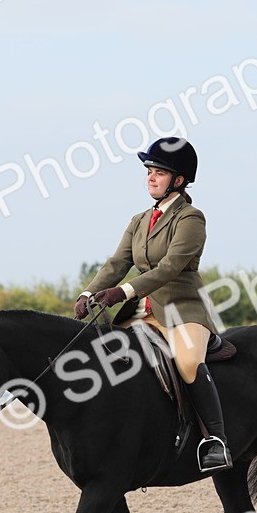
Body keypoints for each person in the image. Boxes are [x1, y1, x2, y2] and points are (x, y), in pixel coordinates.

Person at [74, 137, 231, 472]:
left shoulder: (190, 218)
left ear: (178, 179)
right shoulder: (139, 220)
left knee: (188, 363)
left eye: (159, 172)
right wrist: (89, 294)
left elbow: (170, 268)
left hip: (182, 310)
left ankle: (214, 440)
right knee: (105, 356)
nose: (150, 177)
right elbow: (117, 263)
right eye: (149, 170)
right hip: (140, 315)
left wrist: (122, 292)